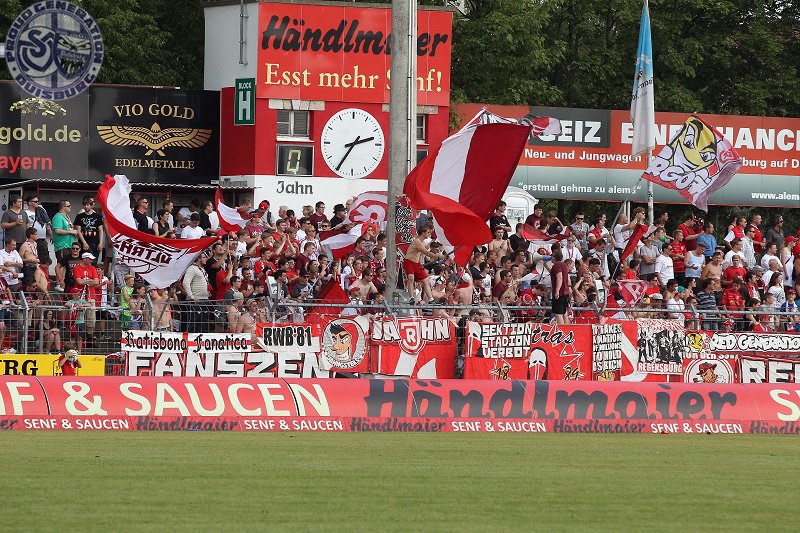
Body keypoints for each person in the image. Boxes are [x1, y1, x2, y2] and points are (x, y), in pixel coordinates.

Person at [404, 223, 445, 304]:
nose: (429, 234)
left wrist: (419, 263)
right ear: (423, 233)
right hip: (409, 261)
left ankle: (430, 299)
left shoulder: (421, 242)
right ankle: (411, 297)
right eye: (428, 232)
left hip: (416, 263)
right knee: (411, 278)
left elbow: (421, 252)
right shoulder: (417, 241)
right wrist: (437, 256)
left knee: (426, 280)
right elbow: (425, 251)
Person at [74, 196, 104, 262]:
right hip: (83, 242)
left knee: (93, 262)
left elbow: (100, 230)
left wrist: (101, 243)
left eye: (87, 205)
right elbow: (78, 230)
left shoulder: (98, 216)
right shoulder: (79, 216)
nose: (86, 207)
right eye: (84, 205)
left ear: (91, 205)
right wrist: (84, 242)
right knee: (82, 261)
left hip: (95, 242)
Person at [24, 195, 52, 260]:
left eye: (38, 201)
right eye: (35, 201)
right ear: (29, 202)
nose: (37, 203)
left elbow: (47, 224)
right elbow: (26, 226)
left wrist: (51, 235)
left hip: (42, 239)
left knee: (45, 260)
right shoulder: (26, 213)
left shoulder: (42, 211)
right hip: (31, 240)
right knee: (32, 259)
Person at [550, 248, 570, 324]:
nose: (551, 257)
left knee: (558, 314)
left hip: (560, 293)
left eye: (552, 256)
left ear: (554, 257)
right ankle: (567, 330)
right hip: (565, 292)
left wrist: (557, 291)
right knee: (564, 313)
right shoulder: (564, 265)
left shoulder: (556, 265)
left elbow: (559, 277)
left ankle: (562, 332)